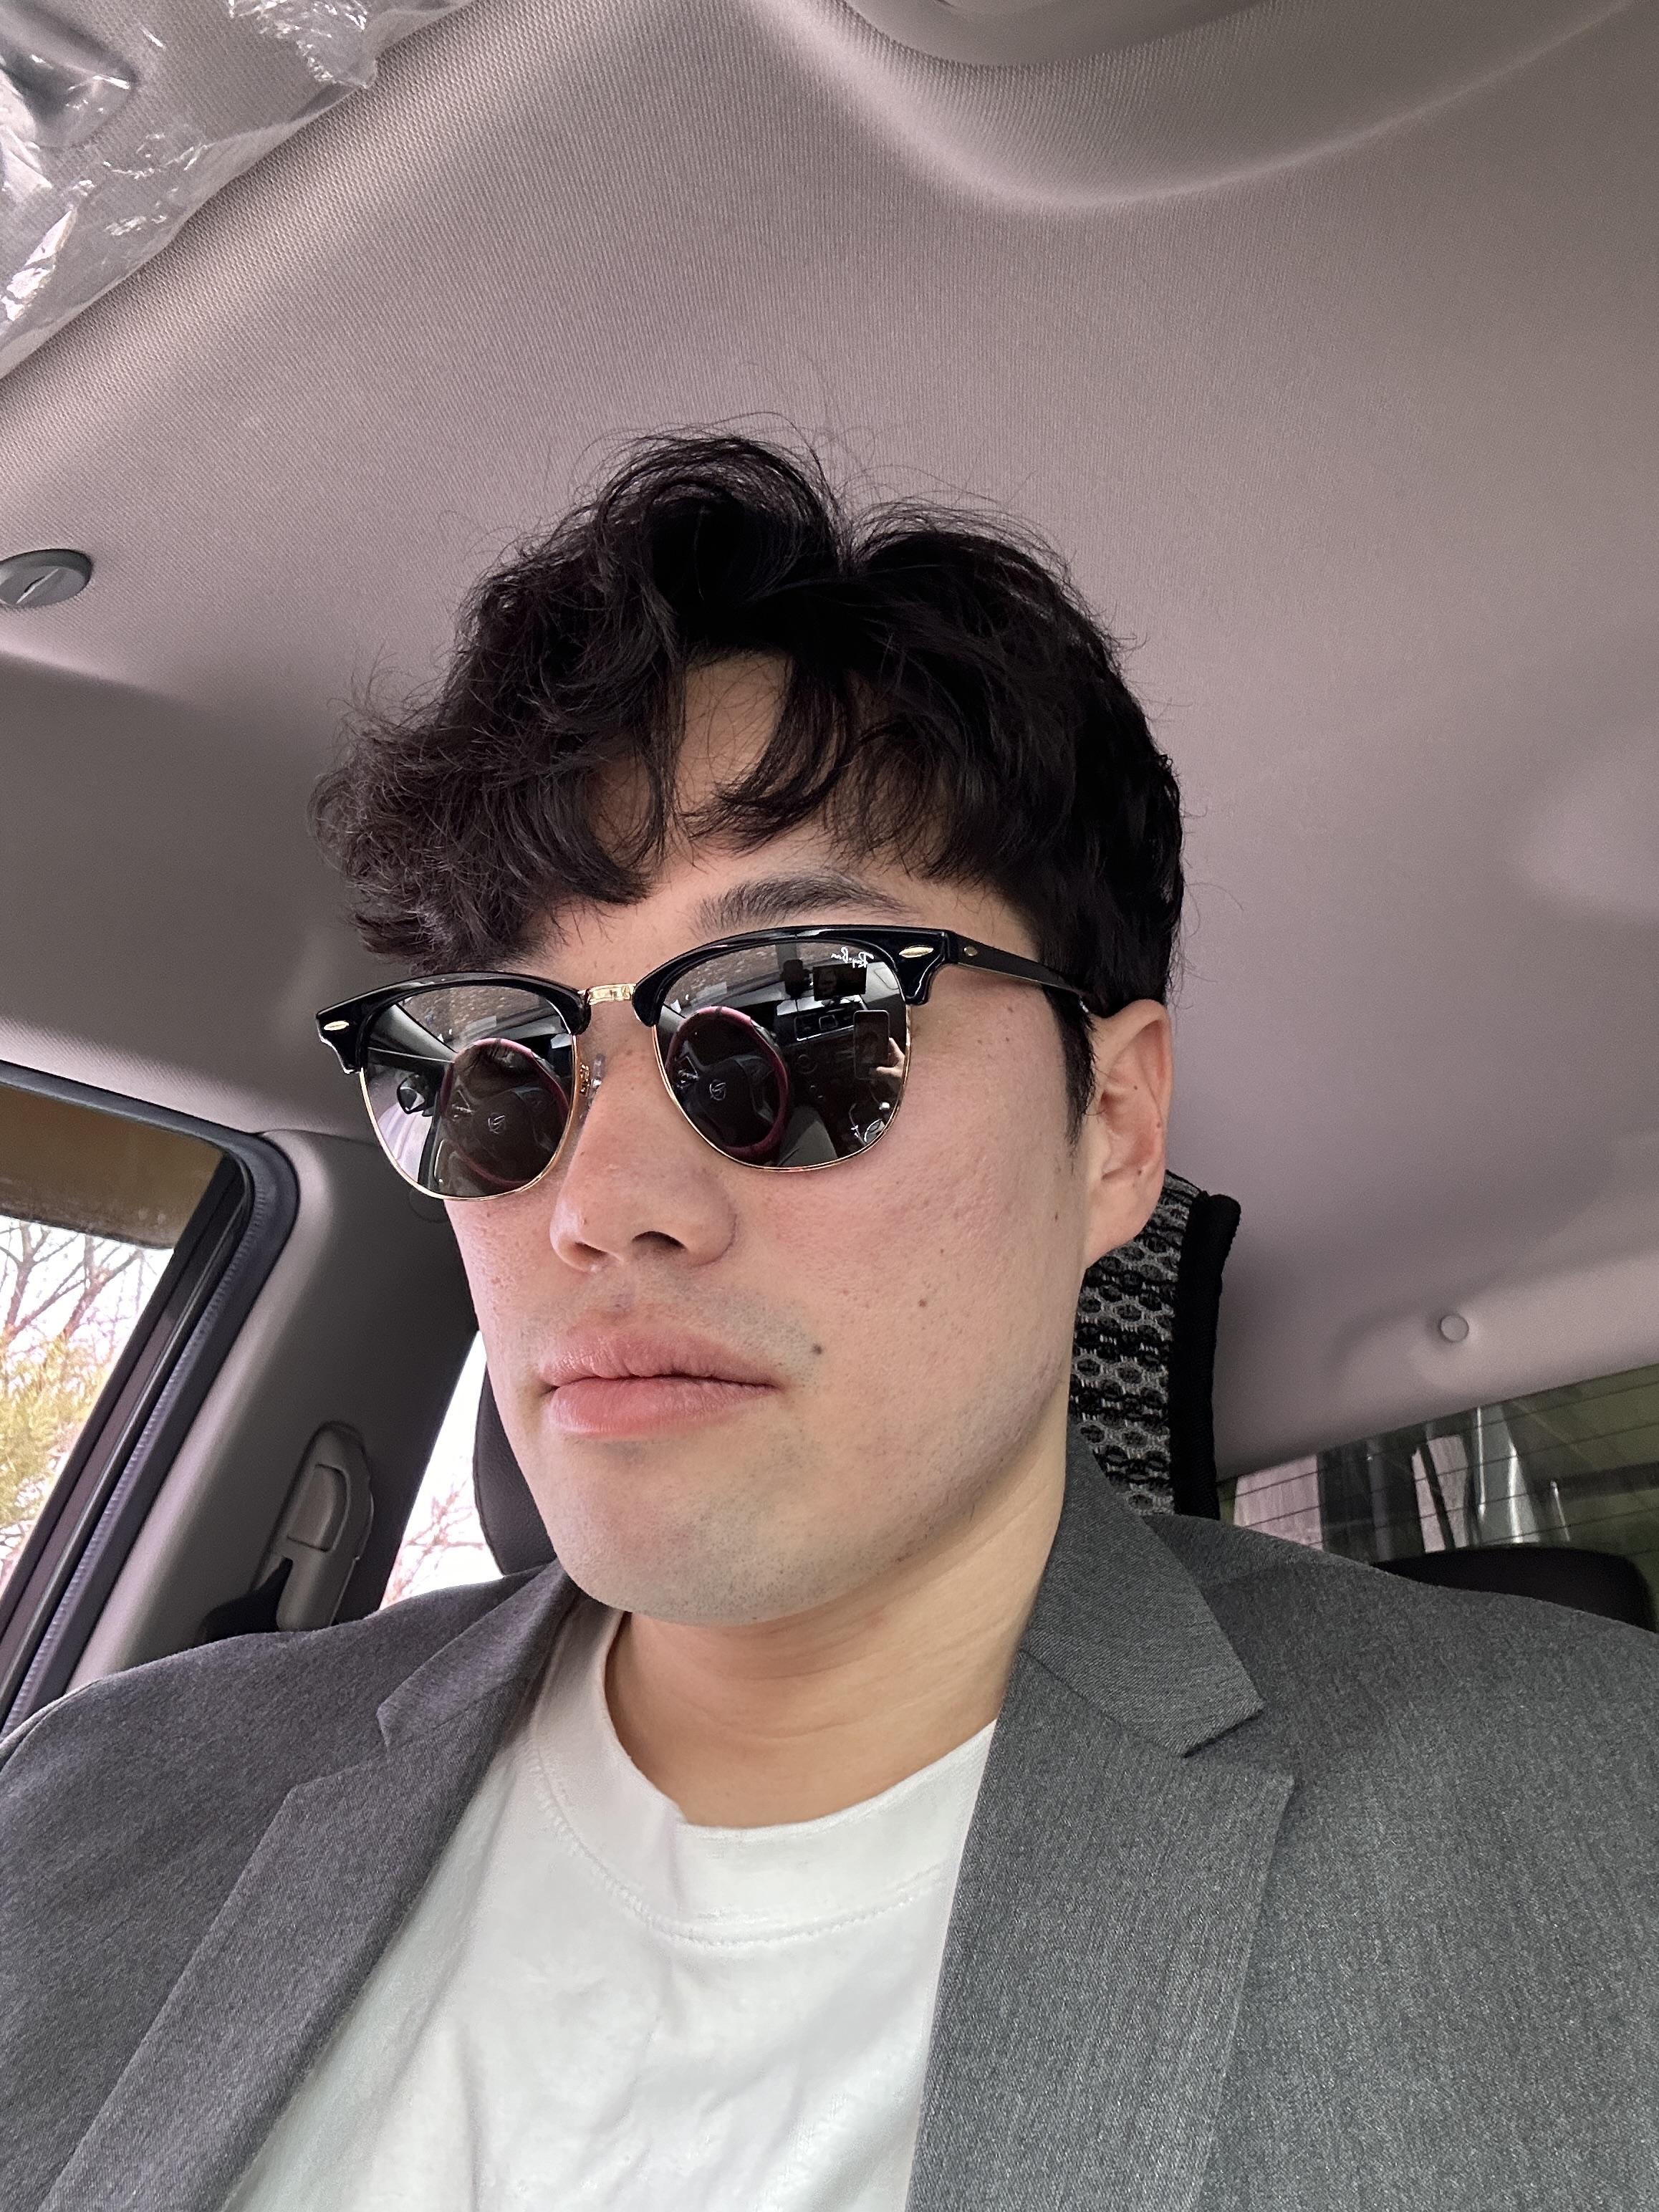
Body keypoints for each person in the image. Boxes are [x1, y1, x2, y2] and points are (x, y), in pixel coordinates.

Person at [2, 434, 1655, 2212]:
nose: (596, 1199)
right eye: (502, 1062)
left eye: (795, 1024)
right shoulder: (91, 1796)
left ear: (1112, 1125)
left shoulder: (1595, 1832)